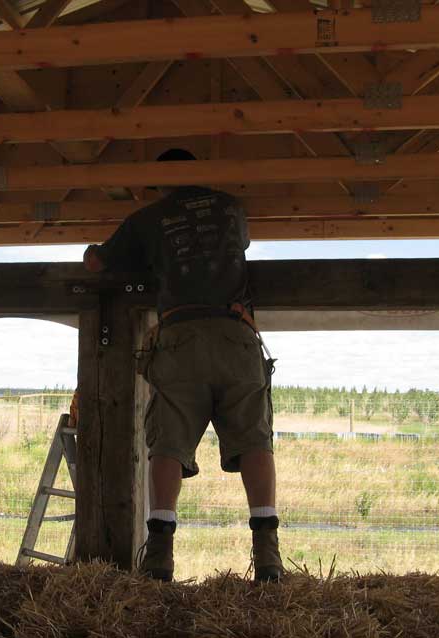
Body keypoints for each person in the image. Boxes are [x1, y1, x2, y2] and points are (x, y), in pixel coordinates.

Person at [83, 148, 282, 582]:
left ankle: (160, 555)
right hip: (236, 333)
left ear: (159, 181)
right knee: (254, 439)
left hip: (179, 336)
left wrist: (92, 251)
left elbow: (98, 264)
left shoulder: (148, 218)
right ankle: (267, 555)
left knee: (168, 444)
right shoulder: (231, 208)